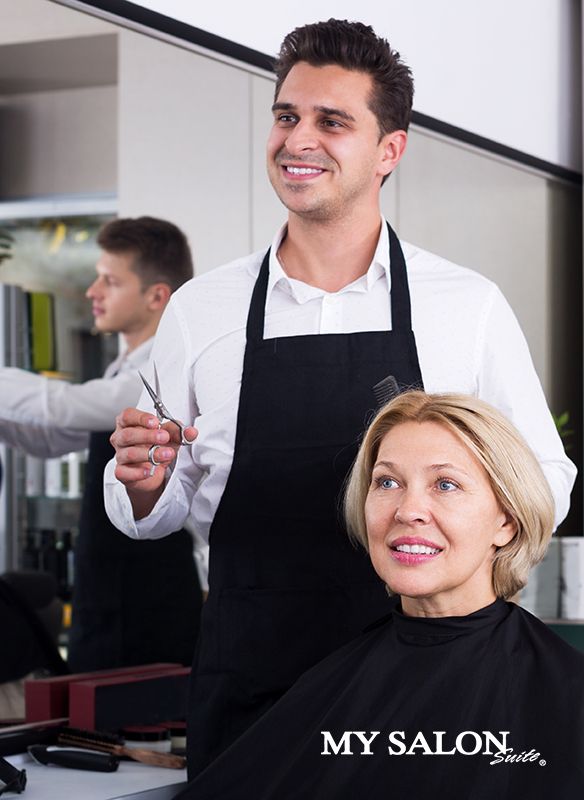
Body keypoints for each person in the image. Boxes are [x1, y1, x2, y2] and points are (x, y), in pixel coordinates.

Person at [104, 20, 576, 776]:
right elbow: (160, 499)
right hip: (253, 673)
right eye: (286, 116)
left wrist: (458, 551)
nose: (298, 139)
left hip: (421, 682)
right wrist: (145, 480)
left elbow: (542, 475)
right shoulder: (203, 309)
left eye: (332, 121)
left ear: (390, 150)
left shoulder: (467, 304)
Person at [176, 391, 584, 799]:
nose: (408, 511)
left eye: (446, 484)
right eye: (387, 482)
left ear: (507, 523)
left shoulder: (567, 692)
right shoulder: (326, 688)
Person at [0, 216, 202, 671]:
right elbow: (55, 438)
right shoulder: (120, 367)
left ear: (156, 296)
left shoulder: (160, 372)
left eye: (110, 281)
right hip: (105, 586)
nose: (92, 291)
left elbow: (64, 408)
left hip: (149, 595)